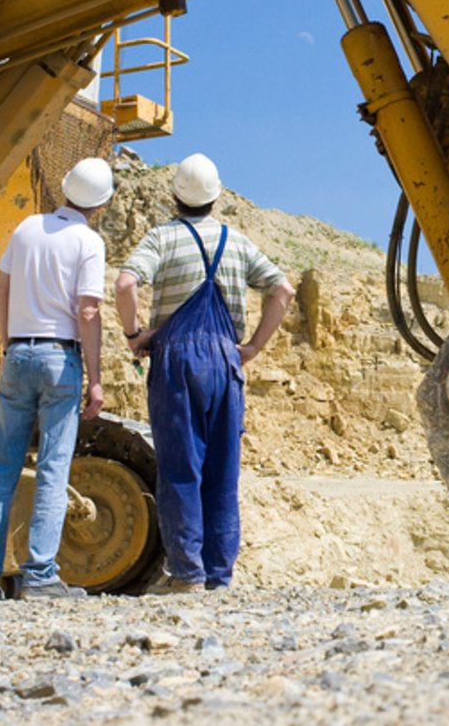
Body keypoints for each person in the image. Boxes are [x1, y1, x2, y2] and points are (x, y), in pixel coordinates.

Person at [115, 153, 295, 595]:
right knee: (222, 468)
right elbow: (283, 289)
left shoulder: (162, 238)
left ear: (175, 196)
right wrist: (252, 346)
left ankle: (187, 573)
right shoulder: (237, 242)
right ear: (216, 198)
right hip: (224, 360)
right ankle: (219, 575)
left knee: (181, 467)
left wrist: (134, 333)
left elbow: (124, 284)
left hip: (177, 360)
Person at [0, 158, 113, 601]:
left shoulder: (27, 228)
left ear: (64, 189)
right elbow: (87, 311)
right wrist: (97, 378)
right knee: (52, 468)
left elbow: (0, 288)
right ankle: (40, 576)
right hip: (59, 358)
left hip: (18, 353)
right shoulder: (88, 241)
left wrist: (10, 343)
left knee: (2, 467)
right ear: (102, 204)